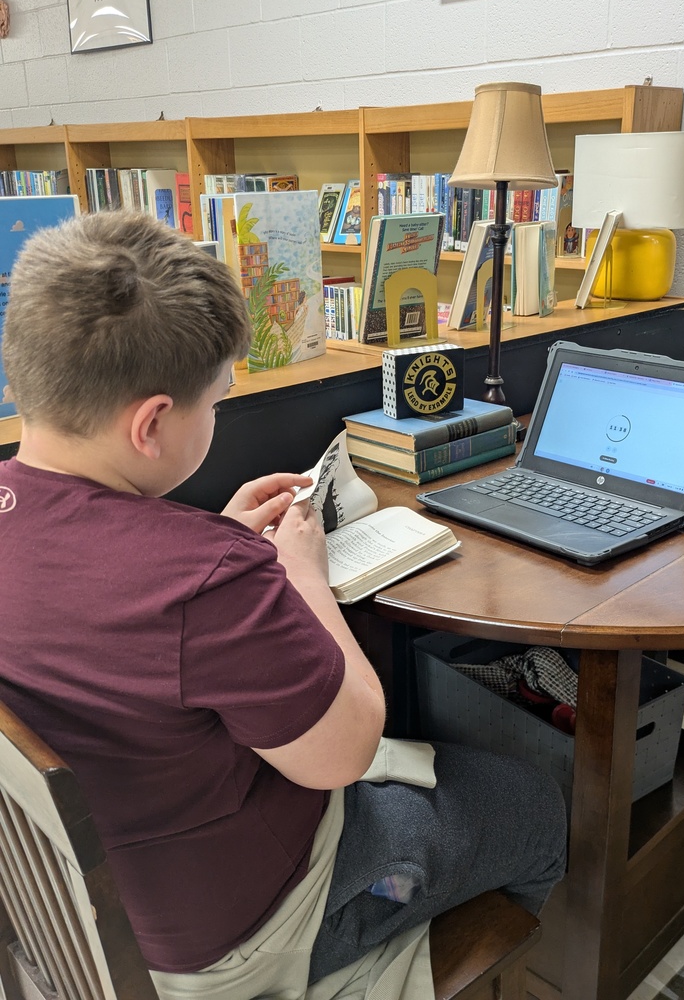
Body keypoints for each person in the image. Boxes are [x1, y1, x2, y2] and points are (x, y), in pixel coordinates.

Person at [0, 210, 566, 1000]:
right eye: (217, 403)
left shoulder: (168, 562)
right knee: (532, 804)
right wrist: (299, 572)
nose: (218, 416)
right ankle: (405, 942)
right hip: (246, 938)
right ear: (153, 423)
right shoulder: (206, 578)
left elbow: (111, 610)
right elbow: (343, 752)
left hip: (82, 916)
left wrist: (217, 545)